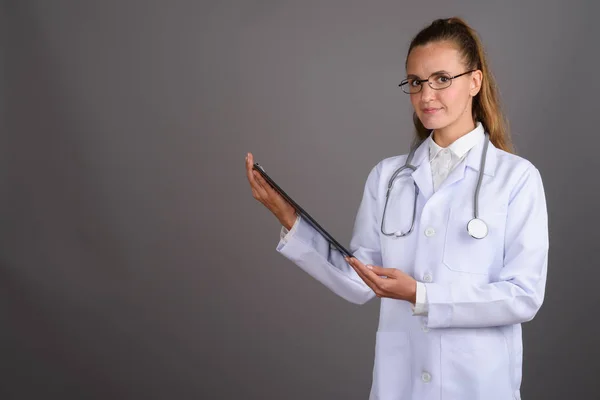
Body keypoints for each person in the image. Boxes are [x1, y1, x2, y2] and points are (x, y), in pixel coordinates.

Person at [244, 16, 548, 400]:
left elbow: (523, 295)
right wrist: (288, 217)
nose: (426, 95)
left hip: (478, 386)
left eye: (441, 79)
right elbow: (360, 280)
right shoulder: (389, 177)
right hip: (399, 386)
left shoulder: (516, 178)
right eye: (416, 82)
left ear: (474, 81)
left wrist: (422, 295)